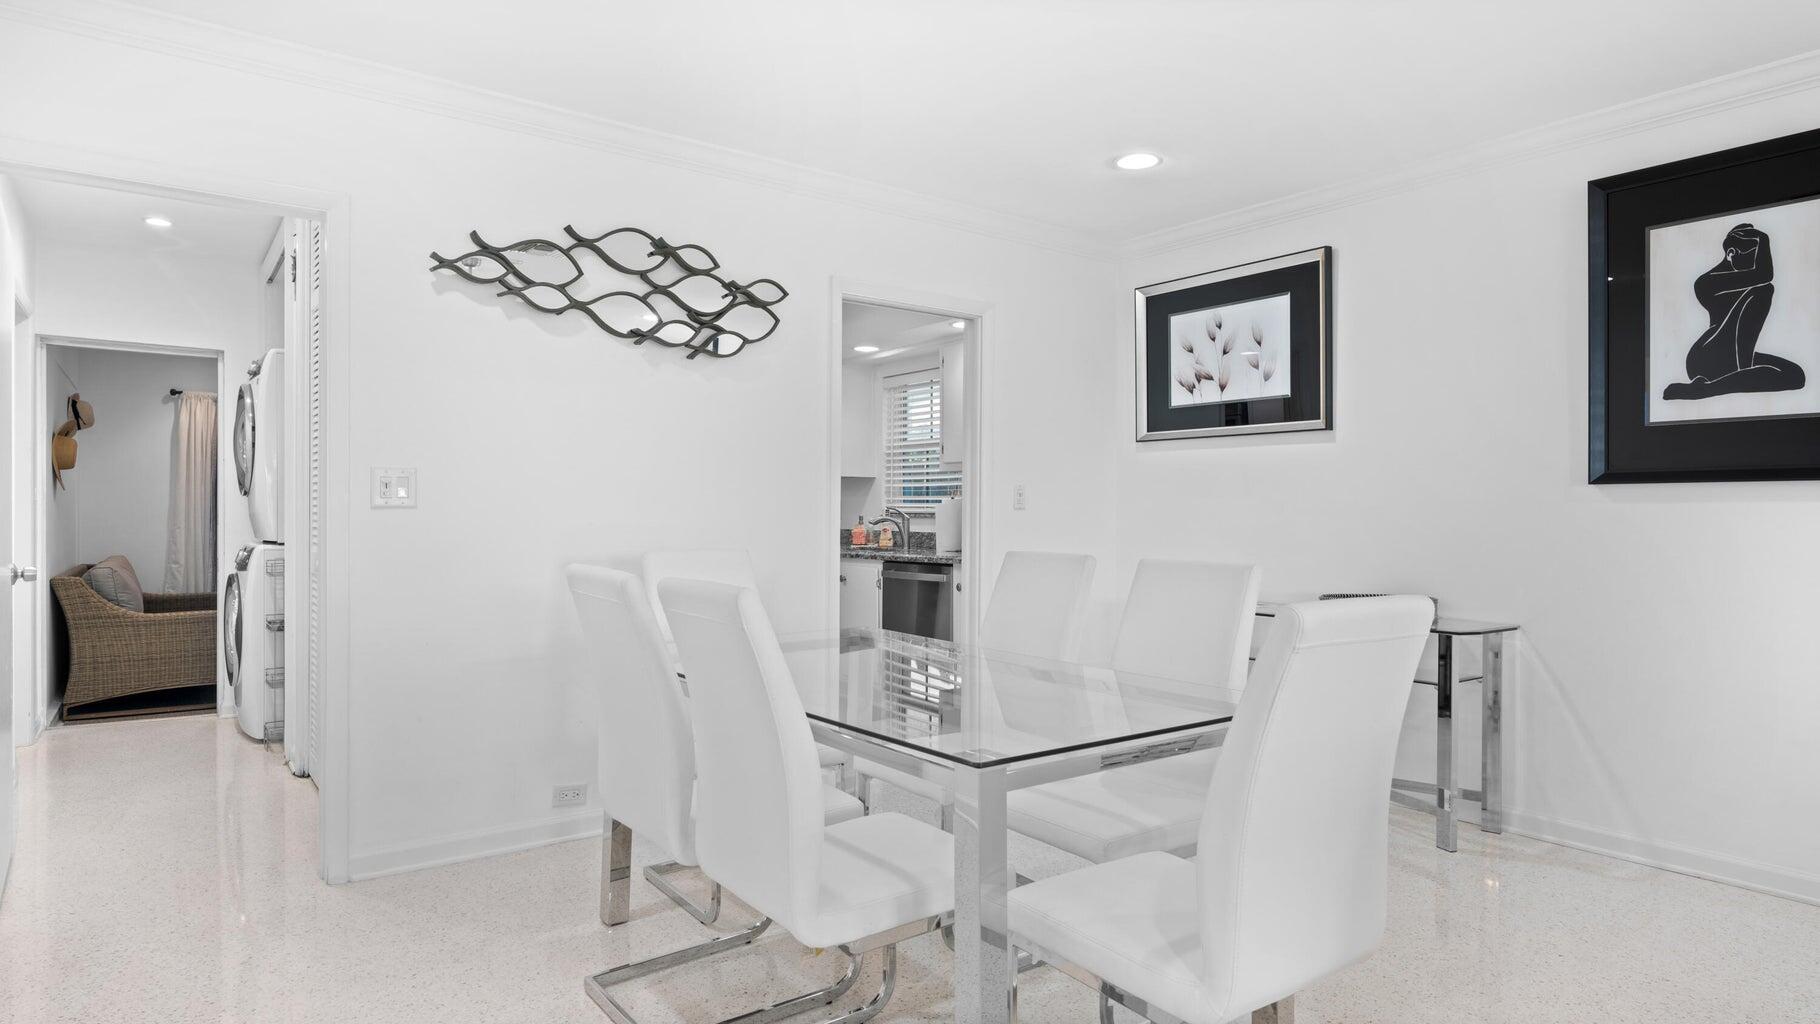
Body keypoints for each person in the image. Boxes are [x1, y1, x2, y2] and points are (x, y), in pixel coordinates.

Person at [1664, 222, 1805, 400]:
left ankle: (1708, 388)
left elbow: (1761, 274)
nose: (1757, 263)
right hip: (1707, 356)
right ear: (1731, 253)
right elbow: (1764, 275)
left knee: (1796, 376)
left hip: (1736, 354)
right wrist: (1764, 238)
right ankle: (1740, 375)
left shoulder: (1745, 278)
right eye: (1754, 257)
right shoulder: (1706, 283)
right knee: (1764, 290)